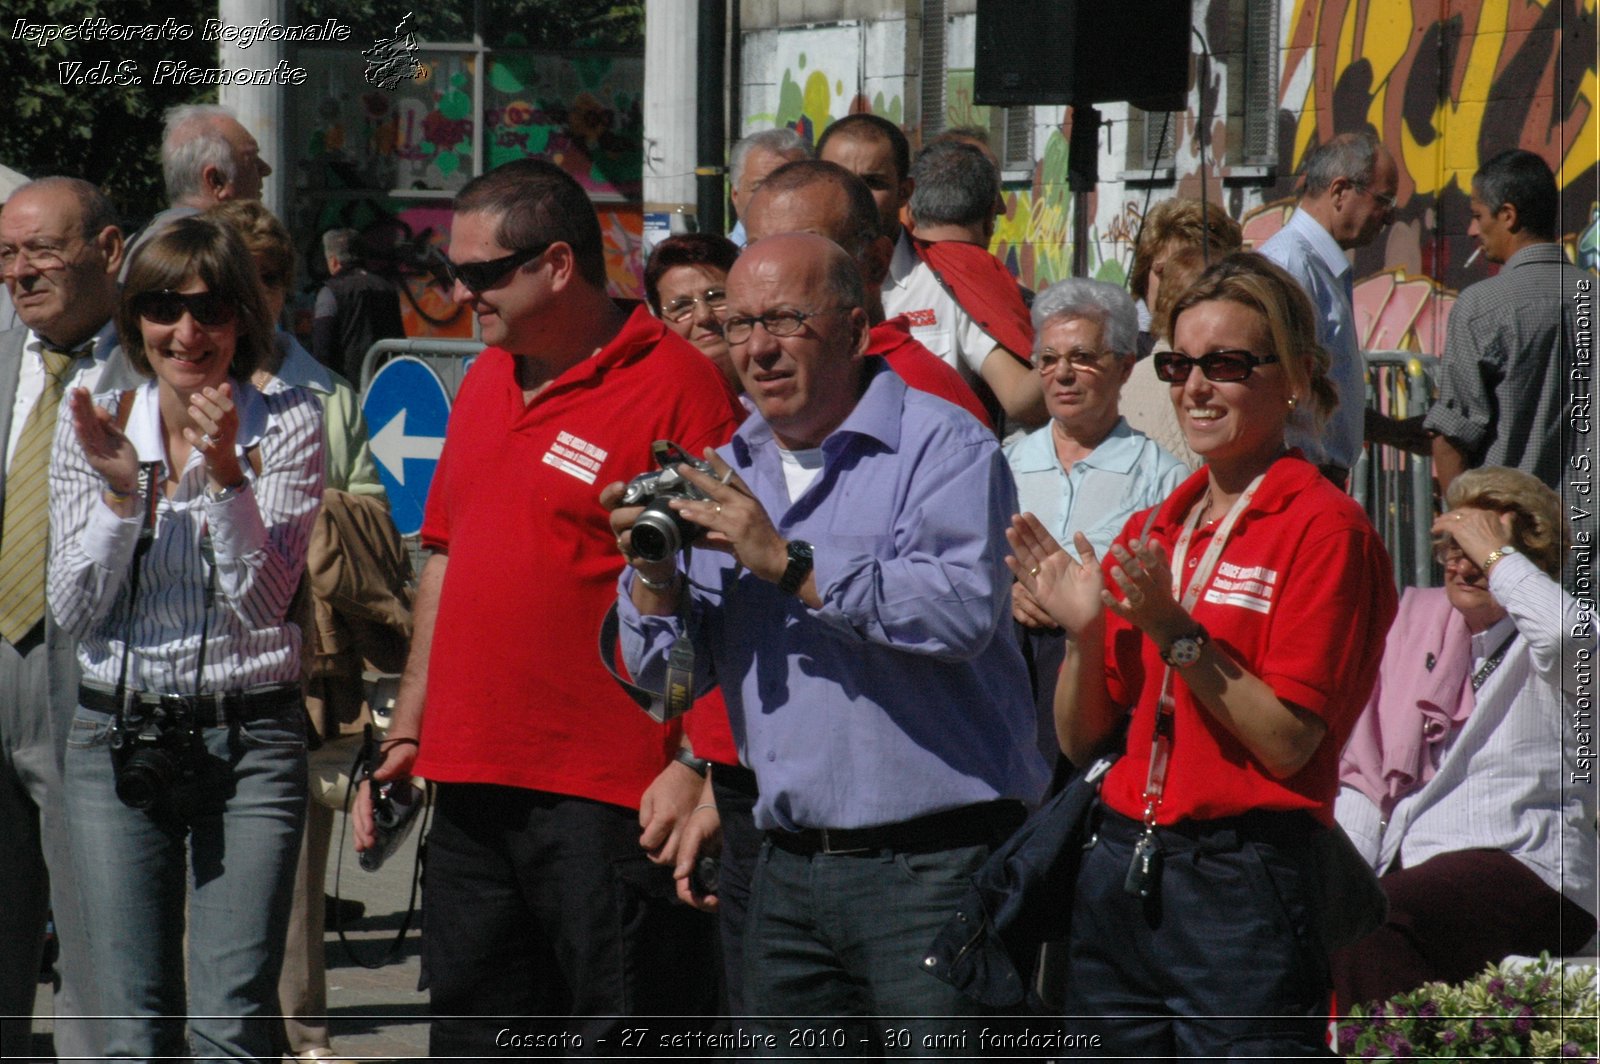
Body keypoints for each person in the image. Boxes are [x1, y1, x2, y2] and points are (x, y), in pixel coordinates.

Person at [610, 232, 1049, 1047]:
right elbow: (665, 683)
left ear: (853, 328)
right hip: (784, 868)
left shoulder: (944, 444)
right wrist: (655, 578)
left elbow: (957, 612)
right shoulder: (728, 467)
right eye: (739, 325)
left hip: (932, 868)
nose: (758, 348)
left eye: (785, 320)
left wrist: (786, 561)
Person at [352, 159, 739, 1056]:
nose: (459, 292)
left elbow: (727, 592)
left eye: (482, 274)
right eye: (455, 270)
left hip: (609, 800)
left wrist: (697, 763)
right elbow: (445, 558)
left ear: (558, 265)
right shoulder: (489, 375)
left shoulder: (678, 384)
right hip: (475, 787)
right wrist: (409, 731)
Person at [1008, 251, 1397, 1056]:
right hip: (1122, 862)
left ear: (1292, 376)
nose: (1194, 387)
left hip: (1242, 882)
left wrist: (1173, 632)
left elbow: (1289, 741)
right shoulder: (1164, 523)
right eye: (1179, 364)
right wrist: (1083, 635)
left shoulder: (1324, 530)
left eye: (1225, 364)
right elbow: (1086, 739)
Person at [48, 216, 325, 1061]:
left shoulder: (289, 419)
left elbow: (263, 600)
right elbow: (71, 607)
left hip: (250, 735)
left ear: (242, 318)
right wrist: (123, 499)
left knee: (231, 1017)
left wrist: (229, 473)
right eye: (163, 307)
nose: (187, 332)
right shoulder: (94, 418)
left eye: (210, 309)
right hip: (117, 729)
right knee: (132, 1020)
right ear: (135, 320)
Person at [207, 199, 388, 1064]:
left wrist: (301, 512)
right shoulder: (159, 387)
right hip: (192, 659)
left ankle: (303, 1032)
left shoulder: (329, 394)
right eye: (244, 280)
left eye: (273, 280)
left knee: (293, 874)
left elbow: (373, 522)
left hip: (299, 658)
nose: (259, 299)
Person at [1332, 466, 1597, 1009]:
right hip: (1418, 874)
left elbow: (1568, 636)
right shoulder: (1412, 633)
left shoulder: (1553, 641)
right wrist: (1342, 881)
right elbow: (1366, 778)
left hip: (1530, 864)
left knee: (1381, 919)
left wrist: (1499, 558)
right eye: (1454, 545)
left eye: (1481, 550)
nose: (1462, 563)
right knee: (1327, 922)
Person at [0, 175, 126, 1061]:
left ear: (108, 250)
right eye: (6, 255)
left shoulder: (154, 362)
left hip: (92, 665)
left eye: (42, 249)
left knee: (94, 924)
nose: (20, 272)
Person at [1004, 278, 1185, 770]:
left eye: (1082, 357)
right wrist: (1007, 591)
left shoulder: (1162, 479)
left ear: (1125, 366)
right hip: (1009, 692)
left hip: (1105, 690)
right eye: (1048, 359)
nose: (1062, 374)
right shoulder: (1005, 464)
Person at [746, 159, 992, 426]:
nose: (770, 275)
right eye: (754, 253)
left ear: (876, 262)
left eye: (803, 254)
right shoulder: (771, 377)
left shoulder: (930, 406)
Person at [1424, 151, 1590, 491]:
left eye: (1477, 215)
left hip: (1513, 532)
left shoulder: (1480, 306)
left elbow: (1451, 439)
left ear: (1508, 216)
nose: (1471, 229)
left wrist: (1463, 526)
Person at [1259, 130, 1398, 485]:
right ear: (1339, 192)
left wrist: (1389, 430)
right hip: (1297, 479)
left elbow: (1320, 390)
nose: (1388, 218)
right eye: (1383, 201)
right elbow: (1275, 385)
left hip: (1314, 478)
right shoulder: (1290, 264)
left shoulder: (1316, 265)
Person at [888, 140, 1043, 430]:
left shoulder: (849, 272)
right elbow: (1021, 401)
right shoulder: (979, 280)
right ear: (989, 218)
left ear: (908, 206)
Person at [1122, 198, 1243, 468]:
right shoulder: (1121, 362)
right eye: (1164, 271)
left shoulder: (1244, 374)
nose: (1177, 284)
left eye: (1190, 268)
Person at [124, 105, 273, 269]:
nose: (266, 169)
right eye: (251, 159)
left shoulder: (132, 249)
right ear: (216, 180)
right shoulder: (220, 257)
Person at [642, 231, 741, 390]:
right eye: (682, 306)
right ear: (660, 320)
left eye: (716, 296)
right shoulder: (656, 405)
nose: (703, 316)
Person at [311, 228, 407, 390]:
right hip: (383, 384)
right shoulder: (386, 288)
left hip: (346, 386)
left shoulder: (331, 292)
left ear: (334, 261)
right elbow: (398, 340)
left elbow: (322, 347)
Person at [817, 113, 915, 247]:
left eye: (872, 182)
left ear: (904, 192)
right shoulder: (788, 265)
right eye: (837, 182)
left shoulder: (942, 267)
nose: (853, 197)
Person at [727, 127, 811, 247]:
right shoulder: (712, 263)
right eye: (759, 189)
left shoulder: (831, 260)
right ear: (735, 195)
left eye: (789, 188)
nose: (775, 201)